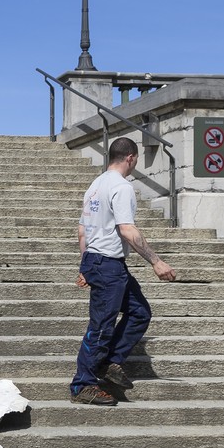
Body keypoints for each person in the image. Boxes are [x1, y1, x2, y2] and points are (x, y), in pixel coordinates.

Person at [69, 137, 178, 406]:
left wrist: (85, 264)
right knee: (101, 327)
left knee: (139, 312)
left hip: (99, 260)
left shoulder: (96, 186)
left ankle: (108, 362)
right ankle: (83, 384)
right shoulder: (121, 187)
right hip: (107, 264)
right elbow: (126, 229)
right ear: (130, 157)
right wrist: (156, 261)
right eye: (136, 159)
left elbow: (83, 230)